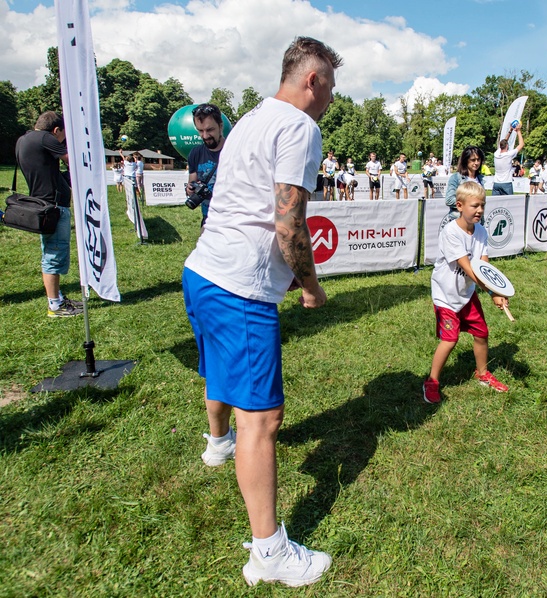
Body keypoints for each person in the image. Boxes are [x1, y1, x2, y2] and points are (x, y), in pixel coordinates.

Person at [182, 36, 341, 587]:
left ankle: (217, 443)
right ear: (312, 80)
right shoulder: (300, 126)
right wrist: (310, 284)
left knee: (221, 376)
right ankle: (269, 553)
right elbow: (288, 222)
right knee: (265, 419)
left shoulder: (249, 118)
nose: (329, 102)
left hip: (201, 271)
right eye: (330, 90)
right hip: (240, 288)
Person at [423, 181, 509, 404]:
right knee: (449, 341)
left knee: (482, 333)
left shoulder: (481, 231)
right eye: (474, 206)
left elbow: (484, 266)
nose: (480, 210)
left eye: (482, 205)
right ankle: (432, 381)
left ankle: (482, 374)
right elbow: (467, 267)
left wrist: (497, 291)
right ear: (459, 206)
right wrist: (491, 292)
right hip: (446, 296)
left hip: (466, 294)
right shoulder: (450, 232)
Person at [15, 111, 82, 318]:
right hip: (53, 206)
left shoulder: (23, 140)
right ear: (56, 130)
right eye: (62, 136)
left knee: (50, 251)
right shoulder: (45, 138)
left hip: (41, 204)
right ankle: (55, 305)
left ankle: (58, 298)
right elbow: (74, 161)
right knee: (54, 254)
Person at [186, 103, 226, 227]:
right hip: (208, 219)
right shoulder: (195, 153)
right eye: (200, 131)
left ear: (220, 126)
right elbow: (192, 184)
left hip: (232, 221)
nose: (205, 136)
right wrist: (190, 189)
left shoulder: (236, 151)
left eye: (210, 130)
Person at [444, 146, 485, 214]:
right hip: (460, 220)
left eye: (478, 159)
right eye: (473, 160)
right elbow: (449, 200)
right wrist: (470, 204)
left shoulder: (481, 179)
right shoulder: (456, 178)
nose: (476, 163)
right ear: (466, 160)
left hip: (477, 222)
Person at [492, 124, 524, 196]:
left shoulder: (496, 154)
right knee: (509, 204)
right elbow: (521, 144)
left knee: (495, 204)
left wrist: (510, 131)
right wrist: (518, 131)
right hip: (506, 183)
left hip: (496, 183)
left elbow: (504, 141)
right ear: (507, 146)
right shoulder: (509, 155)